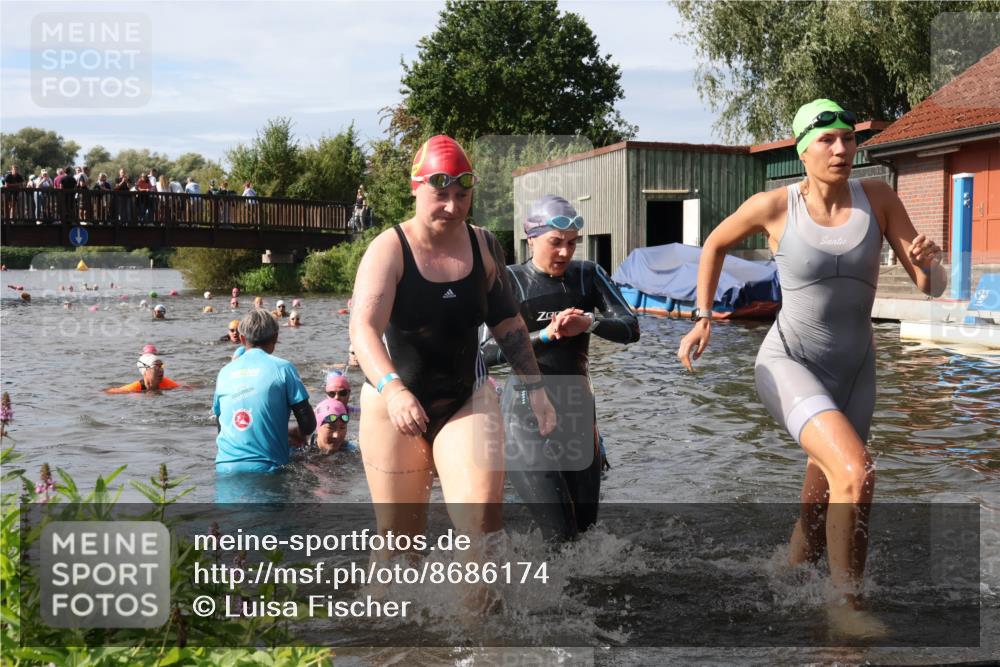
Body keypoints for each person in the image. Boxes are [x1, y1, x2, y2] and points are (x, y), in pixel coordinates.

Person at [676, 99, 947, 636]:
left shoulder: (879, 198)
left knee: (828, 500)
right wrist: (703, 318)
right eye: (828, 141)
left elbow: (932, 290)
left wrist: (930, 264)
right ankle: (846, 607)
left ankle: (791, 569)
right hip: (790, 363)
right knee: (857, 471)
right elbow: (713, 244)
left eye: (848, 139)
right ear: (802, 149)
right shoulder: (775, 206)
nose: (842, 149)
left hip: (856, 374)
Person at [350, 135, 556, 570]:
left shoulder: (483, 245)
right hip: (393, 403)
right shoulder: (388, 249)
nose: (452, 206)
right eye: (440, 195)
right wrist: (393, 390)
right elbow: (363, 329)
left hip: (466, 397)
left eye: (462, 196)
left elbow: (508, 324)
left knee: (483, 525)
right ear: (416, 188)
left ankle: (481, 635)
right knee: (398, 542)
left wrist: (536, 389)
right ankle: (385, 632)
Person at [481, 195, 640, 541]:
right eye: (556, 243)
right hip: (524, 417)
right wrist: (545, 336)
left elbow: (631, 328)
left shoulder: (588, 276)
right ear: (531, 239)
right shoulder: (510, 281)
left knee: (585, 537)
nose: (566, 253)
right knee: (558, 533)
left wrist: (591, 323)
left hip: (578, 414)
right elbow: (485, 353)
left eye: (572, 244)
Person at [213, 309, 315, 475]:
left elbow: (221, 427)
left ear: (242, 338)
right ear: (275, 337)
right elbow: (308, 424)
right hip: (267, 468)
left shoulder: (224, 372)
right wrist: (295, 432)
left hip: (225, 467)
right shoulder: (283, 368)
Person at [106, 353, 182, 393]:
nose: (161, 370)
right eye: (156, 366)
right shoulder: (133, 389)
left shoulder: (169, 385)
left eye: (161, 366)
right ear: (145, 371)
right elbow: (110, 392)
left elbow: (187, 388)